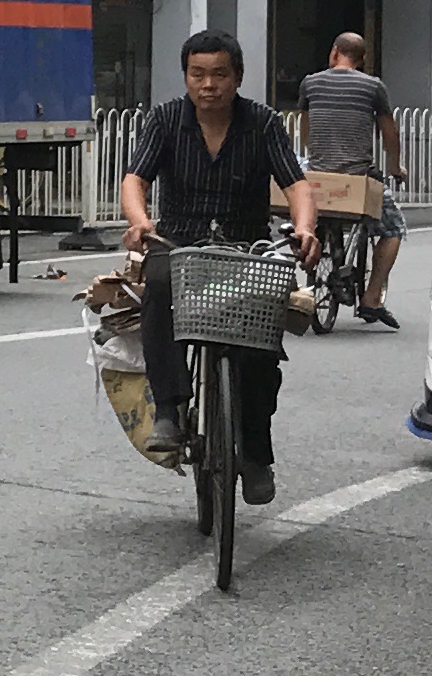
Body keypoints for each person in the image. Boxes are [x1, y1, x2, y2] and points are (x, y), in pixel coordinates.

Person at [117, 27, 319, 503]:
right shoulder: (166, 120)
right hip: (178, 241)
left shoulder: (263, 123)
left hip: (246, 246)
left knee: (261, 347)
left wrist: (305, 227)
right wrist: (140, 221)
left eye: (220, 75)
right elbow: (135, 178)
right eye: (198, 74)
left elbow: (296, 185)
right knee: (158, 287)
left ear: (238, 78)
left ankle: (256, 455)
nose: (209, 85)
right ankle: (170, 410)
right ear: (186, 77)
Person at [294, 29, 408, 327]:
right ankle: (371, 298)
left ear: (334, 53)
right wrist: (396, 167)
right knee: (394, 229)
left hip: (318, 174)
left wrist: (315, 155)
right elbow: (389, 133)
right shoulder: (373, 86)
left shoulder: (310, 83)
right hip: (357, 178)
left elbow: (306, 128)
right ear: (362, 59)